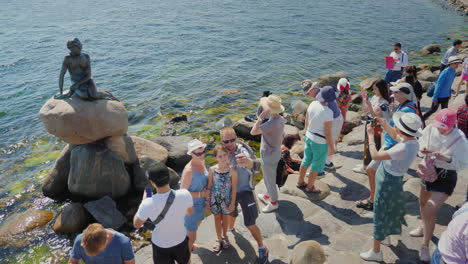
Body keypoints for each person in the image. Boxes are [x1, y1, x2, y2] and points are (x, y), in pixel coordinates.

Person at [360, 112, 422, 262]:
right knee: (387, 210)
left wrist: (370, 136)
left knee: (379, 213)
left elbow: (375, 156)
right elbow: (396, 136)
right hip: (394, 180)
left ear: (401, 129)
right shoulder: (413, 142)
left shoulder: (401, 149)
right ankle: (385, 237)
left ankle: (376, 252)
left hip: (387, 181)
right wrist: (383, 123)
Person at [408, 109, 468, 262]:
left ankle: (425, 245)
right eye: (439, 125)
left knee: (429, 209)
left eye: (444, 127)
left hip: (446, 177)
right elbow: (421, 143)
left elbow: (462, 164)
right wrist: (423, 151)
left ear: (453, 125)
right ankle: (424, 227)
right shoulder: (430, 129)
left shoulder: (461, 140)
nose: (440, 129)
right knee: (422, 203)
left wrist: (447, 159)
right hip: (428, 170)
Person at [356, 82, 417, 211]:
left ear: (404, 94)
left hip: (394, 146)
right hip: (392, 143)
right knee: (376, 171)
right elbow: (395, 126)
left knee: (373, 170)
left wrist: (372, 136)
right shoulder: (404, 106)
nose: (392, 94)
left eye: (396, 92)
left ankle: (374, 200)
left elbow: (400, 131)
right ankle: (377, 198)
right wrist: (384, 121)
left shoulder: (407, 110)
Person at [220, 127, 269, 264]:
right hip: (231, 191)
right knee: (231, 213)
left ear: (236, 138)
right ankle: (231, 229)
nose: (230, 143)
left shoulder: (242, 150)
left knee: (250, 223)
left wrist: (247, 162)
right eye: (226, 141)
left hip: (246, 191)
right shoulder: (221, 152)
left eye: (232, 140)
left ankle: (262, 247)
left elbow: (256, 164)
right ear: (222, 141)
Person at [133, 164, 193, 264]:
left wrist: (144, 202)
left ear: (152, 182)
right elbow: (190, 212)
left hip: (161, 245)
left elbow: (137, 224)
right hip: (180, 239)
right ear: (169, 177)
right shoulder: (184, 194)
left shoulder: (147, 203)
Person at [354, 79, 391, 210]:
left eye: (375, 88)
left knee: (372, 145)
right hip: (370, 123)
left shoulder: (384, 103)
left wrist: (368, 102)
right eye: (373, 88)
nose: (374, 91)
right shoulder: (375, 97)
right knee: (366, 145)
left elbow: (375, 114)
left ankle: (368, 166)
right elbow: (367, 110)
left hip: (376, 126)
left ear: (381, 89)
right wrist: (366, 101)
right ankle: (365, 165)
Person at [296, 86, 336, 193]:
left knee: (306, 159)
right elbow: (327, 134)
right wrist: (332, 148)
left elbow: (306, 122)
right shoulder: (328, 112)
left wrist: (306, 133)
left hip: (309, 136)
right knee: (317, 165)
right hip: (320, 142)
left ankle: (300, 181)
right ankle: (310, 187)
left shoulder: (313, 104)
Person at [251, 94, 286, 213]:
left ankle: (274, 202)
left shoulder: (270, 123)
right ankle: (268, 194)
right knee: (270, 175)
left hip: (269, 155)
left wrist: (260, 118)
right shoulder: (281, 119)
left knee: (269, 178)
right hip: (276, 151)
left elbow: (253, 132)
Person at [207, 144, 238, 253]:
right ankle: (218, 238)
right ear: (216, 157)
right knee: (216, 218)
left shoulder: (232, 171)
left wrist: (233, 203)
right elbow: (209, 186)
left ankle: (224, 236)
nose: (223, 158)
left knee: (225, 219)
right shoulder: (212, 169)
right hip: (214, 200)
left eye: (225, 155)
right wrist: (207, 201)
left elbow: (234, 188)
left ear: (228, 155)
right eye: (220, 156)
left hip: (227, 200)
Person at [180, 139, 209, 251]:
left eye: (203, 151)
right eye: (198, 153)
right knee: (192, 236)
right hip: (190, 207)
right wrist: (202, 194)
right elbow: (183, 193)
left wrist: (206, 200)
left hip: (201, 203)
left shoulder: (202, 161)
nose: (201, 155)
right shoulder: (188, 171)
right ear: (191, 154)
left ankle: (189, 246)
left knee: (195, 227)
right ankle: (183, 258)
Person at [69, 223, 135, 264]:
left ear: (107, 238)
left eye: (98, 251)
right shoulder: (79, 240)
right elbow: (73, 261)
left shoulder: (123, 243)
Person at [423, 56, 462, 121]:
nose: (457, 65)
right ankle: (422, 119)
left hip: (446, 96)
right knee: (433, 110)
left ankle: (442, 123)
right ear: (450, 64)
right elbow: (438, 85)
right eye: (455, 63)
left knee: (444, 111)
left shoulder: (453, 71)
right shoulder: (445, 72)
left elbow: (449, 84)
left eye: (457, 63)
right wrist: (435, 98)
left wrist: (449, 93)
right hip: (439, 96)